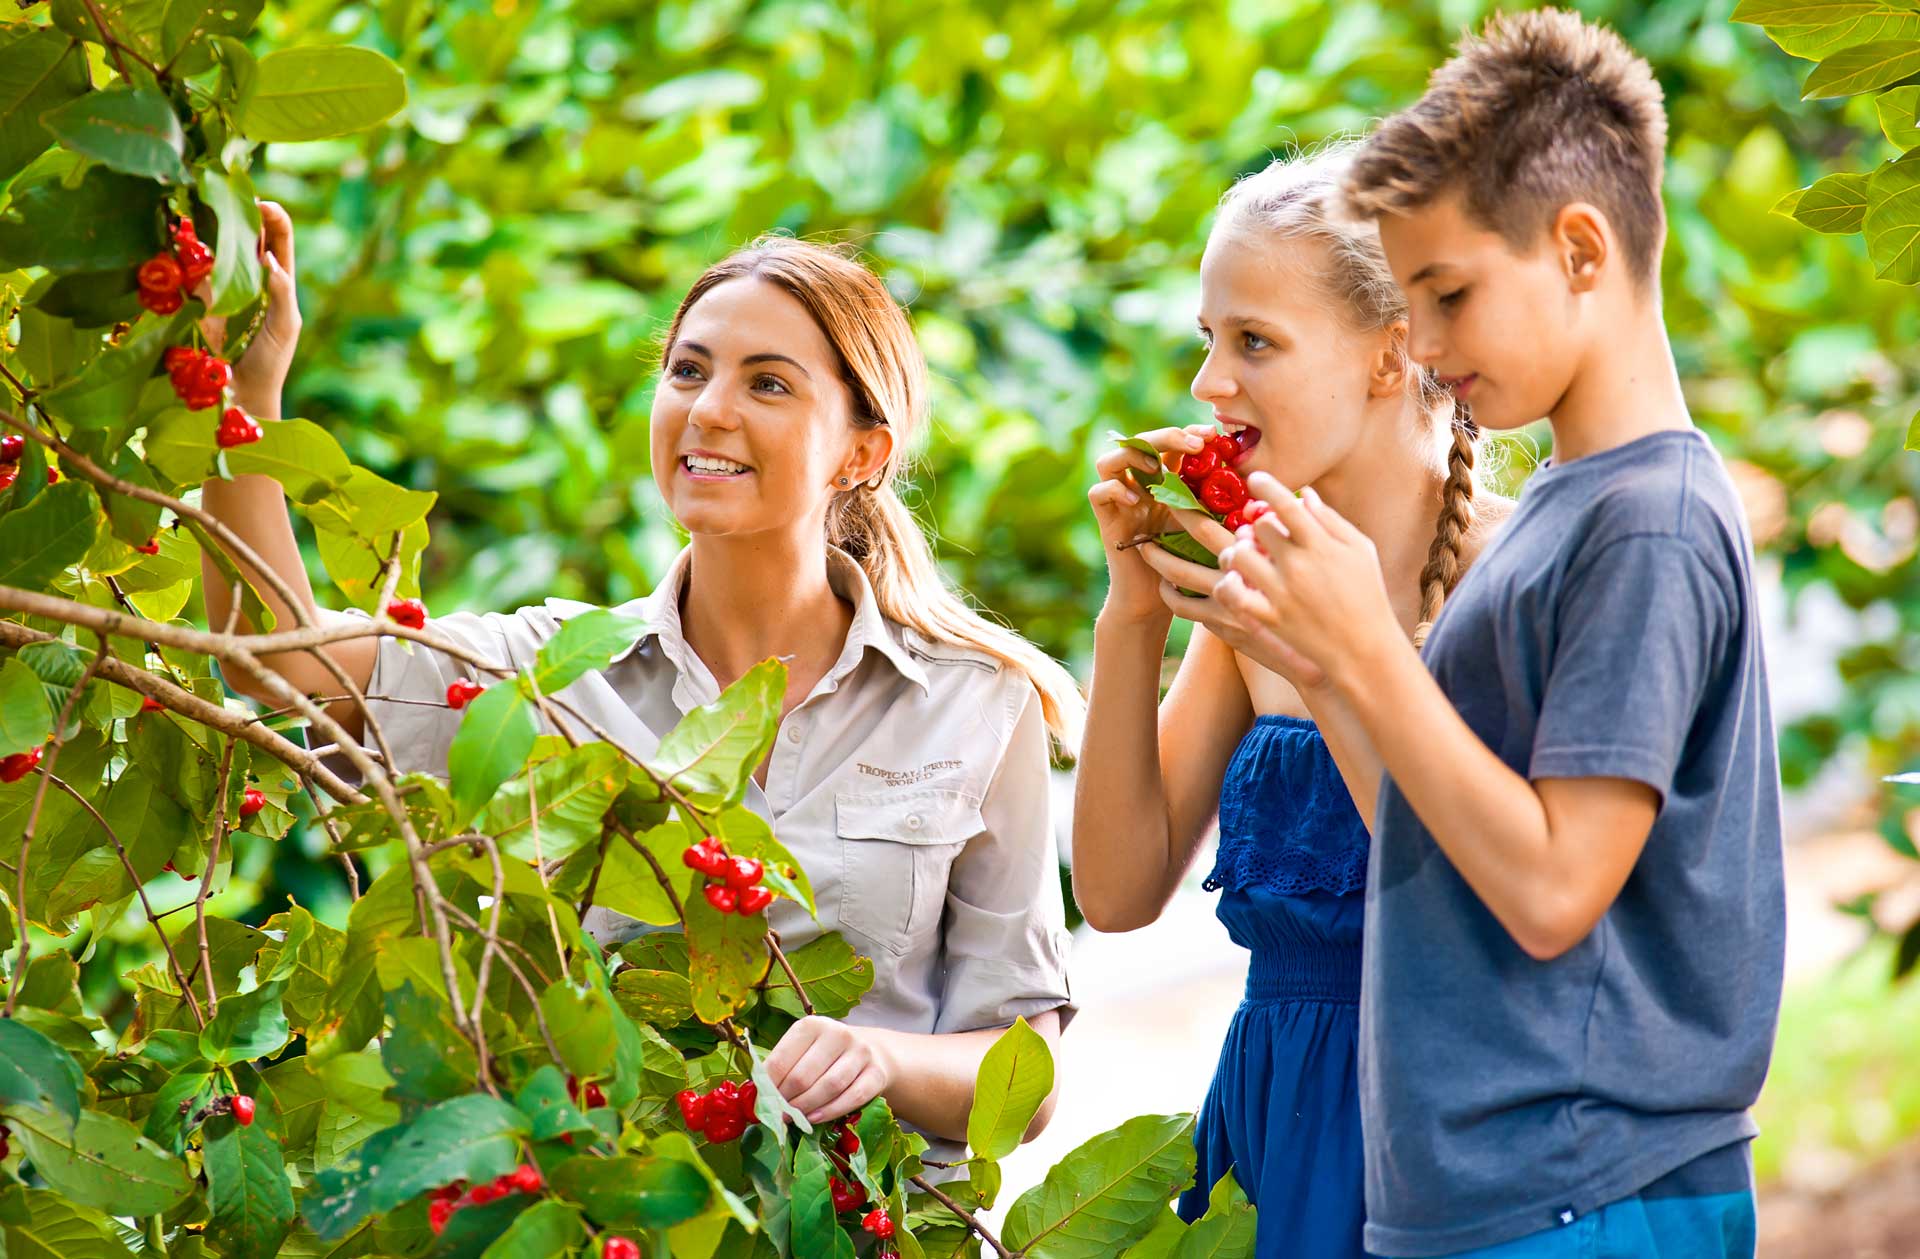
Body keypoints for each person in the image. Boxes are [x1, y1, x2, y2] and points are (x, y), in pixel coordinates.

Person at [199, 218, 1079, 1161]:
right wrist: (244, 391)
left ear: (861, 450)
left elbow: (1023, 1074)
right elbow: (268, 651)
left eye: (768, 382)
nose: (708, 410)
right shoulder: (541, 672)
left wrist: (882, 1061)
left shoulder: (978, 701)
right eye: (689, 371)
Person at [1215, 11, 1784, 1257]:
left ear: (1581, 248)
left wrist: (1365, 648)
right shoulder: (1573, 511)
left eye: (1449, 294)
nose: (1420, 344)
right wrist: (1319, 652)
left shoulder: (1648, 526)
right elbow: (1441, 841)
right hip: (1493, 1197)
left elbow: (1546, 889)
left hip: (1591, 1192)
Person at [1074, 141, 1509, 1258]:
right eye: (1206, 341)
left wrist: (1328, 657)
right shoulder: (1250, 591)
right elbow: (1117, 893)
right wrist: (1132, 620)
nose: (1208, 385)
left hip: (1451, 1123)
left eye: (1254, 341)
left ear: (1392, 350)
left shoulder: (1519, 581)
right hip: (1276, 1117)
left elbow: (1474, 912)